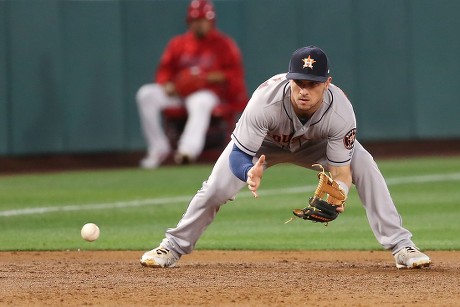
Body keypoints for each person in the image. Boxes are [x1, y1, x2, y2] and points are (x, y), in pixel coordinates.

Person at [140, 45, 431, 269]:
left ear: (326, 83)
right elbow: (240, 154)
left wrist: (338, 195)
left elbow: (342, 172)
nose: (304, 90)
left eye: (313, 84)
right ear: (289, 79)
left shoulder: (341, 112)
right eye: (299, 82)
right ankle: (172, 247)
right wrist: (248, 172)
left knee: (365, 165)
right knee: (215, 189)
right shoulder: (265, 102)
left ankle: (402, 247)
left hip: (315, 146)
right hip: (263, 146)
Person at [136, 0, 248, 169]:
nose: (200, 24)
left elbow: (234, 74)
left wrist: (207, 77)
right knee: (146, 94)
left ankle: (187, 150)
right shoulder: (178, 43)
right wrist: (166, 84)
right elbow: (164, 71)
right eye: (196, 20)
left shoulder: (224, 44)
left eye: (203, 20)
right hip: (179, 93)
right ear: (190, 21)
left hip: (207, 93)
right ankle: (158, 147)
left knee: (200, 102)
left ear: (211, 21)